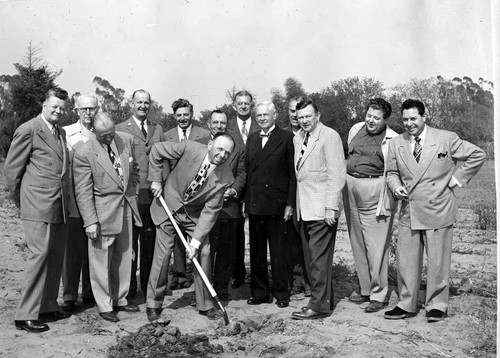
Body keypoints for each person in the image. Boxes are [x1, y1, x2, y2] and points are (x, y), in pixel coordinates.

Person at [384, 99, 486, 322]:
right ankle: (406, 303)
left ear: (424, 116)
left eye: (413, 119)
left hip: (438, 208)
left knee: (438, 261)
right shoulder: (396, 143)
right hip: (409, 210)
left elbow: (478, 154)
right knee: (406, 261)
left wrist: (456, 180)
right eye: (405, 119)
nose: (409, 124)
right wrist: (395, 186)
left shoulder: (446, 138)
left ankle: (437, 305)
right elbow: (391, 172)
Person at [146, 133, 235, 321]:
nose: (222, 155)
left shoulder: (226, 177)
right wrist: (155, 179)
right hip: (168, 204)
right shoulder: (189, 147)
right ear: (210, 144)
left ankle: (205, 304)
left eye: (227, 153)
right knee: (163, 254)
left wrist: (194, 243)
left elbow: (210, 211)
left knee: (204, 251)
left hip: (192, 214)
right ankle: (153, 303)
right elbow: (156, 150)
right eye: (219, 149)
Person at [5, 88, 71, 333]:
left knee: (55, 255)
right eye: (54, 106)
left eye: (62, 108)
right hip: (37, 205)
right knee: (40, 255)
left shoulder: (61, 132)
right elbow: (12, 172)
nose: (58, 111)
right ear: (44, 104)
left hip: (59, 204)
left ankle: (47, 305)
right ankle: (25, 315)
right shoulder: (28, 129)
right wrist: (23, 202)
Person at [73, 112, 142, 322]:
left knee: (122, 258)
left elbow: (135, 170)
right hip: (101, 213)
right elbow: (83, 191)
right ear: (94, 132)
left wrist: (134, 193)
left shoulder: (126, 140)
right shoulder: (84, 152)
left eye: (111, 133)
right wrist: (90, 221)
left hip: (126, 208)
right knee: (100, 262)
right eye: (104, 136)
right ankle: (104, 304)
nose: (110, 138)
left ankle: (120, 298)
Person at [291, 97, 346, 320]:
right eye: (300, 117)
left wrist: (331, 208)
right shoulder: (298, 138)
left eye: (308, 116)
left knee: (318, 259)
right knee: (312, 258)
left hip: (323, 209)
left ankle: (319, 306)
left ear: (318, 116)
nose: (304, 120)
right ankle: (323, 299)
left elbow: (337, 174)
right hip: (304, 208)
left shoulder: (329, 136)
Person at [344, 98, 398, 313]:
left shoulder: (392, 139)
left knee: (376, 245)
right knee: (357, 239)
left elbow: (394, 170)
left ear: (385, 119)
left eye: (376, 118)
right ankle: (365, 289)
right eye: (369, 115)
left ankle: (379, 294)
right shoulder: (356, 129)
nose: (371, 120)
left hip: (374, 189)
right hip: (350, 186)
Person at [245, 100, 296, 308]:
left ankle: (281, 293)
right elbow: (249, 173)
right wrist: (246, 202)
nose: (262, 118)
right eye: (259, 116)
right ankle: (260, 293)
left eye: (266, 115)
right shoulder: (252, 138)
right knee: (256, 253)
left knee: (278, 253)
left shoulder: (286, 138)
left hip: (277, 205)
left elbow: (293, 175)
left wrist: (289, 204)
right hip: (256, 205)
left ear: (274, 115)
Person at [116, 89, 165, 298]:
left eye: (146, 103)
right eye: (139, 102)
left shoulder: (158, 129)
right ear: (132, 104)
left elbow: (163, 159)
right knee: (130, 243)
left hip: (153, 193)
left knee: (150, 241)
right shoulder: (120, 129)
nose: (143, 106)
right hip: (132, 194)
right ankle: (129, 288)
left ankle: (147, 286)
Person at [164, 98, 209, 290]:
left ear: (192, 114)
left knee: (198, 236)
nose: (182, 118)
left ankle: (200, 279)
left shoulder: (204, 134)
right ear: (174, 116)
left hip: (196, 192)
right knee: (176, 236)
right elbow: (165, 163)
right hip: (174, 192)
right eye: (179, 115)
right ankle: (180, 274)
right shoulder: (167, 135)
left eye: (186, 114)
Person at [202, 110, 246, 301]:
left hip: (229, 206)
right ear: (209, 124)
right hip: (205, 207)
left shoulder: (237, 146)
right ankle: (204, 290)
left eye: (222, 123)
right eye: (215, 122)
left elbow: (242, 173)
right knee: (206, 251)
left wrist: (233, 190)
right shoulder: (202, 145)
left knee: (226, 251)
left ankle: (221, 289)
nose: (219, 126)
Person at [62, 93, 98, 312]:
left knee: (92, 250)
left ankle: (89, 293)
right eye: (83, 109)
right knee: (72, 250)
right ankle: (69, 296)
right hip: (74, 201)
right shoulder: (66, 133)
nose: (87, 113)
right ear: (76, 110)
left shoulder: (103, 133)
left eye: (91, 108)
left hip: (97, 202)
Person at [226, 90, 259, 289]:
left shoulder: (260, 124)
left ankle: (257, 273)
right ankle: (237, 272)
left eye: (247, 103)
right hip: (234, 183)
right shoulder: (227, 127)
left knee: (256, 229)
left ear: (251, 105)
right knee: (235, 230)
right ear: (234, 106)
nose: (243, 106)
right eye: (240, 103)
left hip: (256, 184)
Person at [286, 96, 311, 297]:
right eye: (292, 111)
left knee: (308, 240)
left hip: (310, 195)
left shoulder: (312, 133)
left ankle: (310, 281)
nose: (295, 115)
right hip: (290, 195)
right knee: (292, 241)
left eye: (299, 111)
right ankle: (295, 279)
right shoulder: (284, 135)